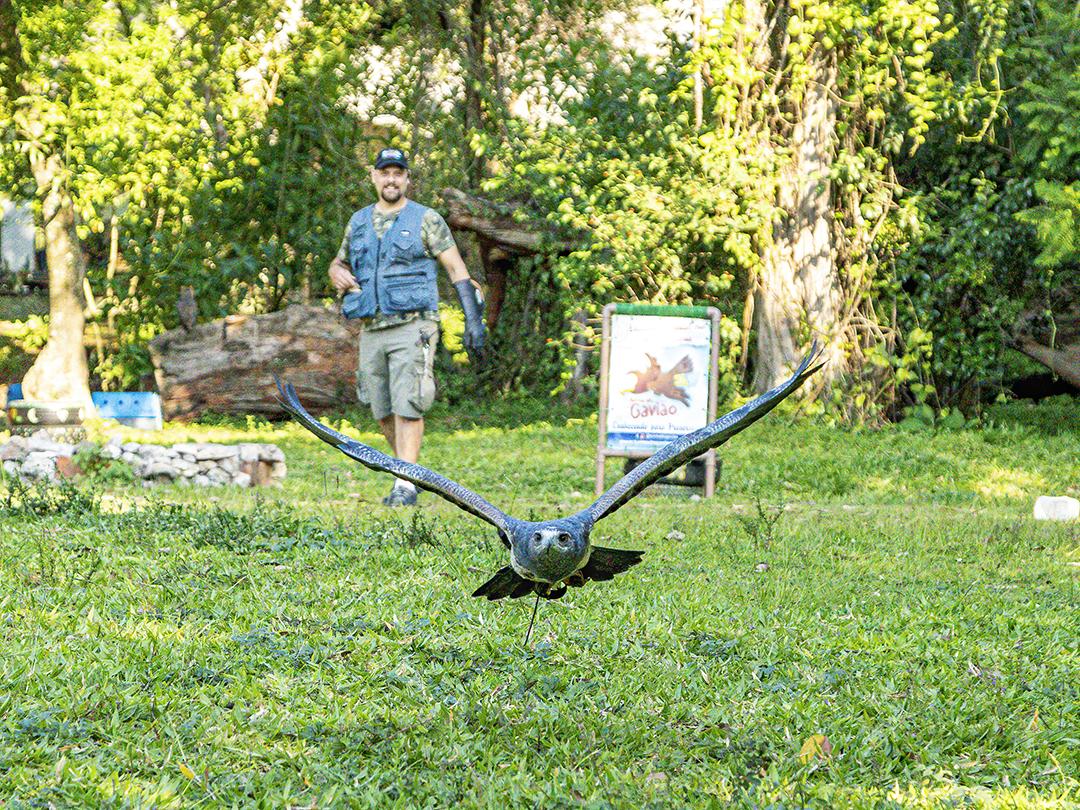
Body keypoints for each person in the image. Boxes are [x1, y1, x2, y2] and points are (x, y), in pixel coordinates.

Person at [328, 147, 486, 506]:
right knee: (380, 406)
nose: (391, 179)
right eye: (385, 172)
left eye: (398, 173)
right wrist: (336, 272)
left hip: (414, 325)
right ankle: (407, 472)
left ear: (408, 179)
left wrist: (473, 323)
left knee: (408, 402)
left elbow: (456, 269)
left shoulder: (426, 219)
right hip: (372, 327)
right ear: (374, 177)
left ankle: (405, 483)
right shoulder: (358, 222)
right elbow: (339, 262)